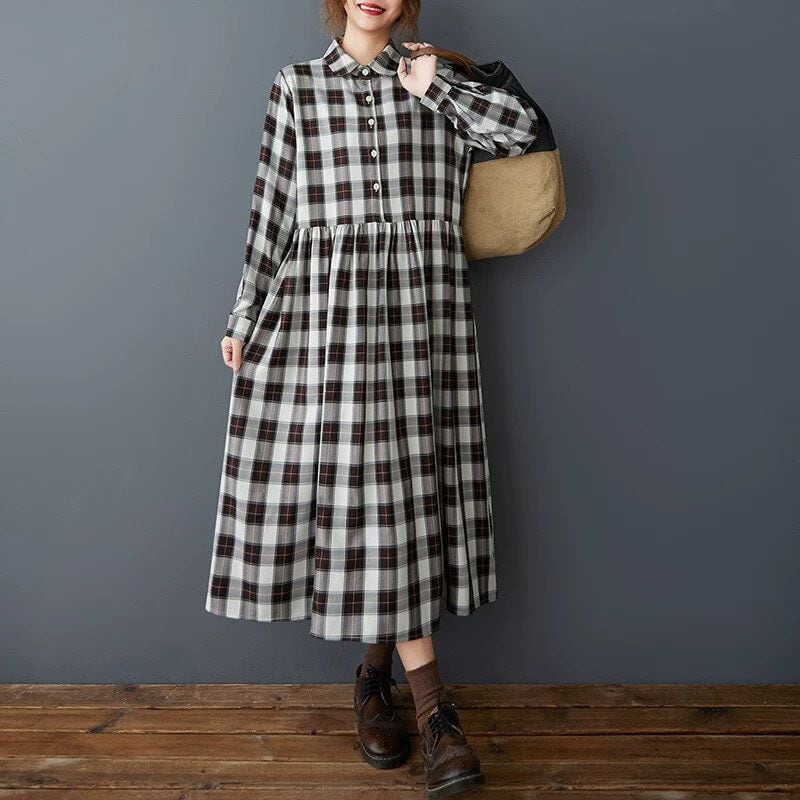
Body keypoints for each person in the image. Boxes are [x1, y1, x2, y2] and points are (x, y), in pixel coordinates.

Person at [206, 1, 538, 796]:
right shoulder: (297, 86)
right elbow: (273, 212)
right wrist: (244, 314)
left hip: (424, 318)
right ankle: (437, 717)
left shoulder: (434, 75)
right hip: (331, 323)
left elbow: (520, 134)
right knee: (379, 501)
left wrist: (437, 88)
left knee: (404, 501)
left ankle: (372, 679)